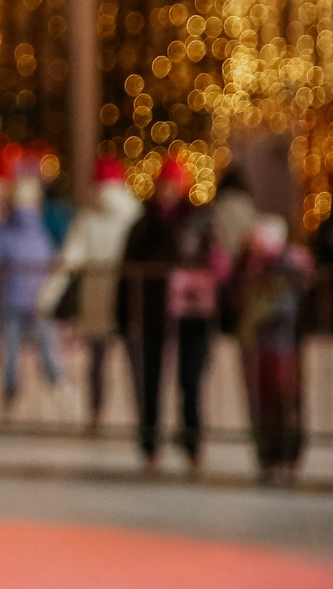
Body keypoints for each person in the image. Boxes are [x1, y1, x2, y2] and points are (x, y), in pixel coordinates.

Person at [122, 159, 223, 470]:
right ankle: (150, 443)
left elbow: (213, 262)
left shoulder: (196, 222)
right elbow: (127, 272)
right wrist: (123, 313)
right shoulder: (143, 225)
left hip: (192, 315)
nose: (167, 189)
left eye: (173, 182)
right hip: (152, 314)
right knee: (150, 380)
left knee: (190, 379)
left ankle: (192, 441)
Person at [39, 157, 139, 432]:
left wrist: (48, 296)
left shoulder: (88, 218)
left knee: (98, 361)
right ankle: (143, 417)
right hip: (130, 300)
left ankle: (96, 414)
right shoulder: (135, 214)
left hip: (98, 300)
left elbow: (68, 260)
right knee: (135, 360)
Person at [227, 213, 311, 484]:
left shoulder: (287, 269)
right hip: (256, 347)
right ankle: (267, 457)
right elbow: (230, 295)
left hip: (282, 348)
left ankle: (286, 456)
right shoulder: (248, 267)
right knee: (260, 404)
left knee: (283, 403)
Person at [0, 174, 61, 409]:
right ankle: (55, 380)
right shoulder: (41, 229)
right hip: (37, 297)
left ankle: (11, 389)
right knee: (44, 342)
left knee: (11, 347)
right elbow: (51, 258)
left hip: (11, 296)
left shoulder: (6, 231)